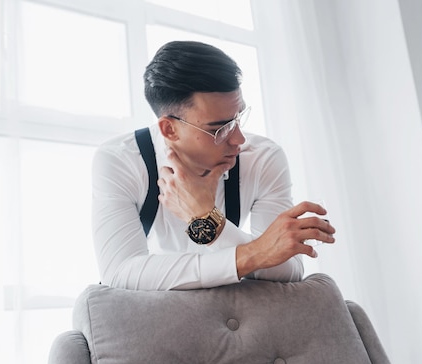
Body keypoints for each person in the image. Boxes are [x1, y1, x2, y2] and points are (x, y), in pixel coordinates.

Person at [91, 40, 335, 290]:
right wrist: (253, 253)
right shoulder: (120, 161)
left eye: (238, 118)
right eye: (220, 128)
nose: (239, 139)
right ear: (169, 129)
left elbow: (289, 268)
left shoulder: (262, 158)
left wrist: (208, 222)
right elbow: (120, 273)